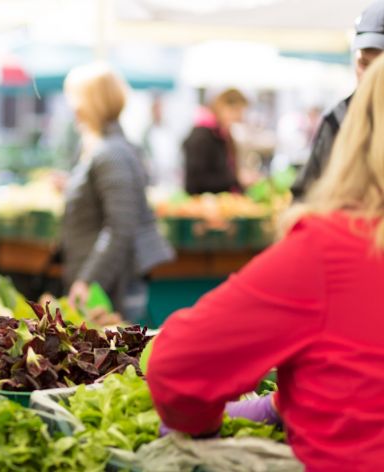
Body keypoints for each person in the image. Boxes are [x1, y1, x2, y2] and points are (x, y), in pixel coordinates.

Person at [146, 54, 384, 471]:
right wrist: (281, 403)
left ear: (357, 133)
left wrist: (202, 425)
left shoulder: (332, 250)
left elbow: (177, 368)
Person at [61, 62, 173, 322]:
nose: (72, 108)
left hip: (111, 289)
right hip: (102, 283)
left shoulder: (110, 154)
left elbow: (120, 227)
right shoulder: (100, 147)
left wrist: (88, 280)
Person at [291, 0, 384, 199]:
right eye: (363, 63)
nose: (368, 76)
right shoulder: (338, 118)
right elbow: (304, 194)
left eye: (378, 67)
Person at [182, 88, 248, 195]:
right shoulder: (202, 136)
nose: (240, 118)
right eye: (237, 111)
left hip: (222, 203)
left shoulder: (222, 134)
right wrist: (235, 179)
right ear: (223, 107)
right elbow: (195, 182)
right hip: (204, 206)